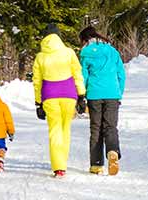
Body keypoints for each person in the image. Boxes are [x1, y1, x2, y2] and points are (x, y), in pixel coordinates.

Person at [32, 24, 86, 178]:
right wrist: (81, 95)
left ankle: (59, 168)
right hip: (69, 94)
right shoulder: (69, 53)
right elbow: (77, 74)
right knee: (65, 129)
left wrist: (38, 102)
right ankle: (63, 162)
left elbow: (37, 81)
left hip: (49, 95)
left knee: (54, 131)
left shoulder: (40, 57)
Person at [79, 26, 125, 176]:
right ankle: (112, 151)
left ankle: (96, 164)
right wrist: (119, 93)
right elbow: (121, 75)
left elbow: (82, 77)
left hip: (94, 95)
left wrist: (82, 94)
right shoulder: (113, 51)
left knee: (96, 129)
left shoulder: (85, 53)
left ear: (85, 39)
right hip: (112, 94)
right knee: (110, 126)